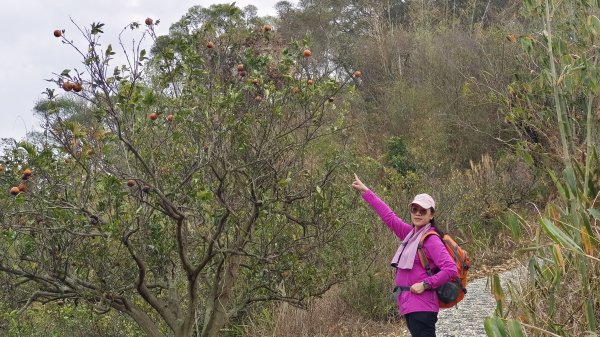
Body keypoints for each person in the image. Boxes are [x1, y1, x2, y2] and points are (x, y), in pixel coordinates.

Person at [351, 173, 457, 337]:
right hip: (410, 305)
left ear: (431, 214)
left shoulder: (431, 239)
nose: (418, 213)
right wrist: (366, 191)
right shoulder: (411, 235)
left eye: (423, 210)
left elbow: (451, 269)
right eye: (415, 209)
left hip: (422, 306)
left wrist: (425, 284)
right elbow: (389, 217)